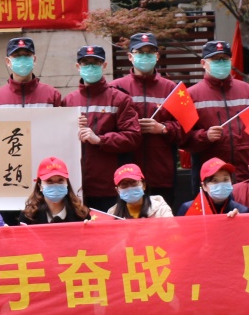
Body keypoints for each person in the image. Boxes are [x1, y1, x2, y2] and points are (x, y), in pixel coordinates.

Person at [109, 32, 187, 206]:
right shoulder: (115, 88)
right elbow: (107, 128)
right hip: (126, 174)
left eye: (150, 52)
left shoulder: (173, 89)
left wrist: (163, 128)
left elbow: (186, 128)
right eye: (140, 52)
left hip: (161, 172)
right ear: (130, 56)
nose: (145, 56)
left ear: (157, 56)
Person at [64, 45, 141, 208]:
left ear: (104, 65)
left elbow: (133, 137)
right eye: (86, 63)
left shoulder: (120, 99)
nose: (90, 67)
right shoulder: (68, 101)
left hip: (108, 187)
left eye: (95, 63)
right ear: (78, 66)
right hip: (75, 187)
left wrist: (100, 140)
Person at [185, 40, 249, 181]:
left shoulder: (247, 91)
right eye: (215, 59)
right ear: (203, 63)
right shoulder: (192, 95)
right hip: (211, 174)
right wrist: (205, 136)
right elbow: (183, 137)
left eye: (224, 59)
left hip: (245, 170)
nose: (221, 63)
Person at [0, 37, 62, 108]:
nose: (22, 60)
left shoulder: (52, 95)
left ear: (34, 59)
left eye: (27, 55)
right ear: (8, 62)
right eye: (17, 56)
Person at [19, 156, 95, 223]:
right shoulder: (28, 217)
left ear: (67, 184)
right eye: (49, 181)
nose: (55, 185)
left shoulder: (82, 215)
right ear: (40, 186)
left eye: (60, 180)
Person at [179, 158, 248, 216]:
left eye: (225, 180)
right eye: (215, 181)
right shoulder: (188, 209)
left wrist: (239, 222)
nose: (221, 184)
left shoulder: (242, 211)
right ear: (204, 186)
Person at [105, 164, 173, 218]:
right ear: (118, 190)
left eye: (133, 182)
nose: (129, 187)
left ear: (143, 185)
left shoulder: (160, 208)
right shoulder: (112, 214)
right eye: (124, 184)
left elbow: (172, 230)